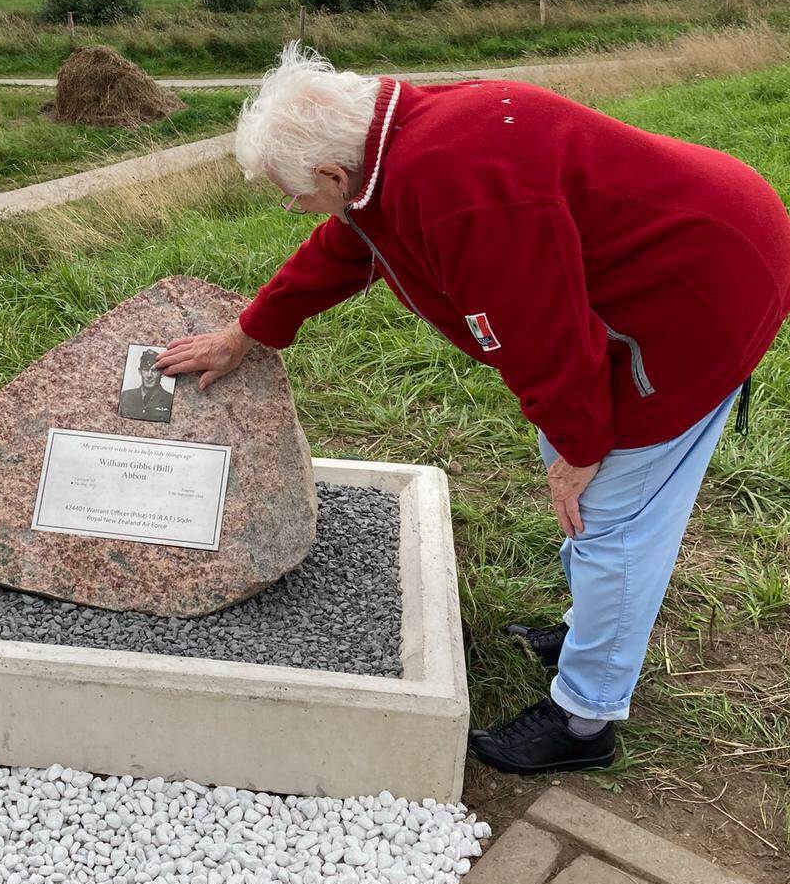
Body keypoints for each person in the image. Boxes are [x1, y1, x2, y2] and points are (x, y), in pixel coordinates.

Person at [157, 45, 790, 776]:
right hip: (689, 247)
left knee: (612, 519)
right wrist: (247, 332)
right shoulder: (389, 147)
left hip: (700, 298)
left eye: (291, 195)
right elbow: (352, 244)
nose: (294, 208)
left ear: (333, 174)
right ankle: (590, 631)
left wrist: (582, 446)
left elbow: (544, 333)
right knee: (590, 494)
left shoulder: (461, 192)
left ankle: (584, 719)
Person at [119, 346, 175, 422]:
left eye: (154, 371)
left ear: (162, 373)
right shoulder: (126, 396)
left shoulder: (169, 399)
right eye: (145, 370)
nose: (149, 375)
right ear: (140, 371)